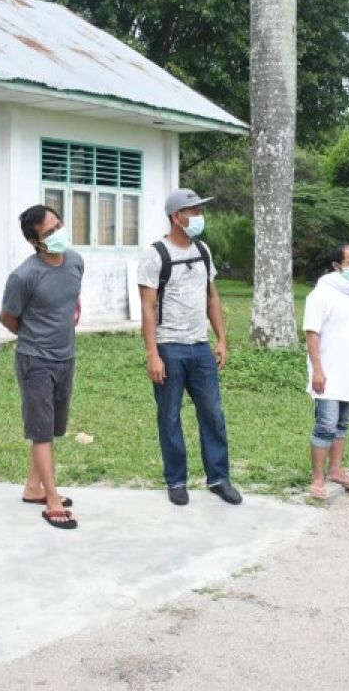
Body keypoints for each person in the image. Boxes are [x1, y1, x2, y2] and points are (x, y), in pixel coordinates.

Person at [137, 188, 241, 506]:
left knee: (213, 414)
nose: (198, 217)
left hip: (200, 347)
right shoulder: (156, 254)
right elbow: (147, 308)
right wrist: (153, 354)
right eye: (193, 211)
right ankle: (177, 481)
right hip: (170, 348)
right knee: (170, 417)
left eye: (199, 211)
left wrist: (221, 338)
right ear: (176, 217)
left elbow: (212, 296)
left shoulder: (203, 250)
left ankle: (219, 478)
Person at [0, 205, 84, 529]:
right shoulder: (24, 276)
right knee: (42, 432)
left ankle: (33, 488)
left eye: (58, 225)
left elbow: (70, 301)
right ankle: (51, 499)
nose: (58, 233)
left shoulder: (76, 261)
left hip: (66, 357)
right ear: (36, 242)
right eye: (49, 232)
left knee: (52, 429)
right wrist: (35, 335)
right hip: (35, 360)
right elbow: (7, 317)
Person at [304, 244, 349, 499]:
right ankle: (318, 477)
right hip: (327, 373)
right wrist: (317, 370)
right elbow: (312, 333)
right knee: (326, 425)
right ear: (337, 266)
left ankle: (336, 470)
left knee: (343, 424)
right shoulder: (320, 295)